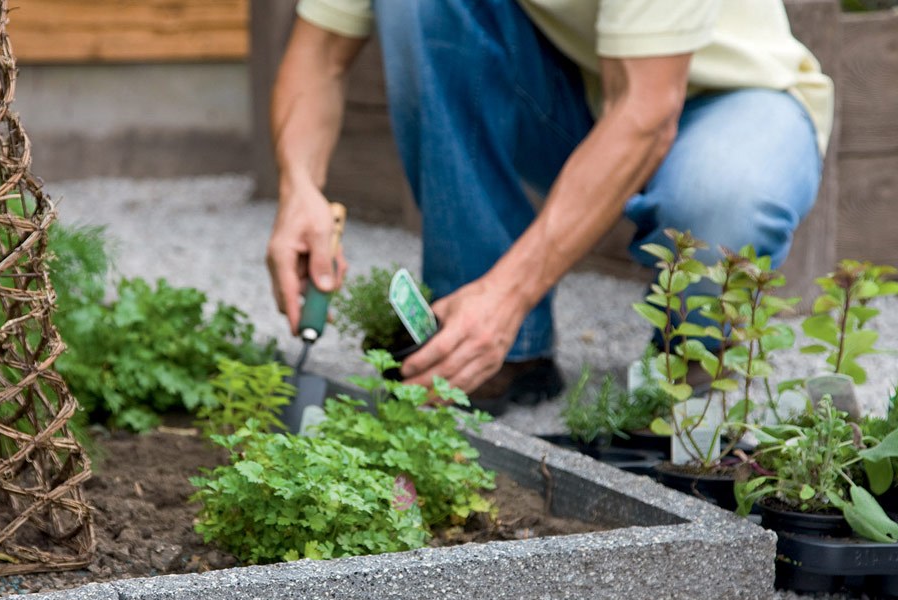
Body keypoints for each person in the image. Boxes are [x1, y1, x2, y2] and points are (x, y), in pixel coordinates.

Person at [264, 0, 831, 412]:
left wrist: (510, 293)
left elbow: (647, 110)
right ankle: (489, 346)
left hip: (732, 97)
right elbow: (320, 56)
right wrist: (300, 193)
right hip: (571, 97)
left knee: (719, 193)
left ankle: (690, 371)